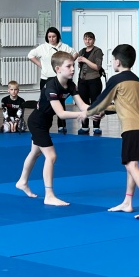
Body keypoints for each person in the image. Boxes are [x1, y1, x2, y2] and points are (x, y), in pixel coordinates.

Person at [82, 44, 139, 219]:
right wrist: (105, 112)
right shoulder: (136, 80)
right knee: (132, 165)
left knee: (131, 165)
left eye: (112, 60)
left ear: (117, 62)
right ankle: (128, 202)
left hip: (131, 128)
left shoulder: (116, 79)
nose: (112, 63)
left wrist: (86, 113)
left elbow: (101, 101)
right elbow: (123, 104)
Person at [15, 51, 90, 206]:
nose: (73, 69)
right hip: (37, 123)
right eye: (68, 66)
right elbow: (61, 114)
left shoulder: (71, 85)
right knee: (51, 156)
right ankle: (49, 195)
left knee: (35, 153)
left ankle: (22, 181)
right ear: (58, 69)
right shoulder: (51, 86)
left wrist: (94, 111)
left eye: (73, 65)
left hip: (46, 122)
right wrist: (81, 115)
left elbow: (83, 105)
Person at [28, 27, 78, 133]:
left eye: (53, 36)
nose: (51, 39)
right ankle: (44, 125)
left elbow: (75, 53)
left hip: (60, 79)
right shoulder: (42, 48)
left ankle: (61, 126)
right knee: (46, 103)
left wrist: (68, 64)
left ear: (57, 36)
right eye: (49, 37)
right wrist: (41, 65)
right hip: (46, 78)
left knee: (61, 102)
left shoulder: (64, 47)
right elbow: (30, 55)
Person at [77, 31, 104, 135]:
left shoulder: (97, 51)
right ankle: (84, 126)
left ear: (94, 40)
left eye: (90, 39)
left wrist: (85, 60)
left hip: (94, 80)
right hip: (82, 80)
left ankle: (96, 126)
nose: (87, 41)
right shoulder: (82, 51)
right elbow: (80, 66)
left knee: (95, 103)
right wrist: (80, 61)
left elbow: (97, 67)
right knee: (83, 103)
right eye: (85, 39)